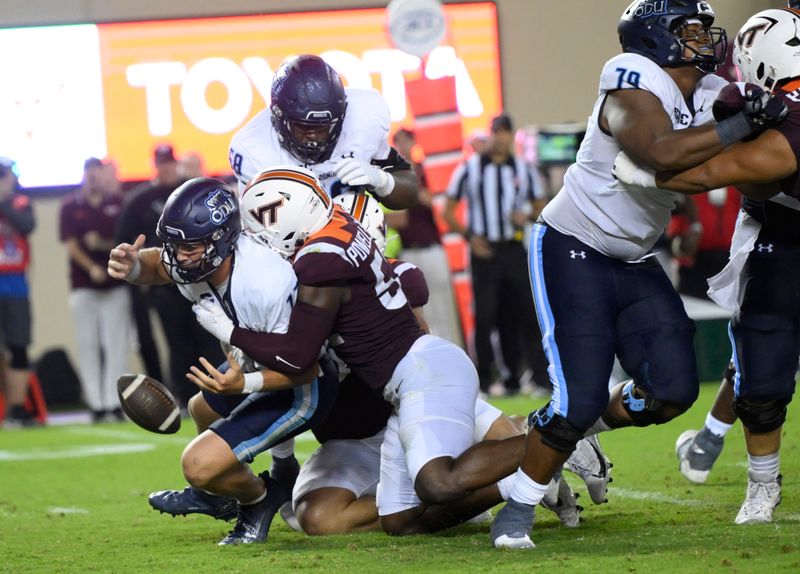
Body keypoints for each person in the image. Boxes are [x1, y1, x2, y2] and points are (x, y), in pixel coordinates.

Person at [490, 0, 787, 549]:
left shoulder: (706, 91)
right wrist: (747, 120)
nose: (704, 39)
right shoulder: (629, 81)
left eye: (703, 28)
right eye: (690, 30)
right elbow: (659, 151)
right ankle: (519, 509)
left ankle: (574, 433)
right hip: (573, 247)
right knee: (576, 396)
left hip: (634, 258)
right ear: (655, 38)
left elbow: (720, 167)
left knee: (672, 391)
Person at [193, 166, 611, 536]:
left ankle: (559, 440)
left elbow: (300, 357)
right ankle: (529, 466)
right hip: (391, 396)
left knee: (440, 481)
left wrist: (233, 334)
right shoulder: (338, 232)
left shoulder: (319, 263)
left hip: (418, 378)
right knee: (397, 520)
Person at [615, 7, 800, 524]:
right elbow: (744, 173)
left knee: (762, 347)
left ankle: (716, 447)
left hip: (778, 229)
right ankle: (747, 471)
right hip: (780, 237)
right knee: (760, 352)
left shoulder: (771, 115)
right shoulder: (749, 102)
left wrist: (647, 179)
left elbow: (720, 172)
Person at [107, 177, 338, 544]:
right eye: (173, 244)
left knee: (196, 465)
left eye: (190, 246)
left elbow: (305, 367)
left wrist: (244, 384)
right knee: (202, 409)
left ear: (221, 240)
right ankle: (216, 496)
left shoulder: (263, 283)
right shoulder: (198, 261)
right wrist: (131, 265)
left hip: (305, 386)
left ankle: (259, 499)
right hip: (260, 369)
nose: (179, 256)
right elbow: (157, 266)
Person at [228, 54, 418, 211]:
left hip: (358, 245)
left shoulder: (364, 115)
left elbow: (408, 193)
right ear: (279, 117)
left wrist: (382, 181)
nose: (313, 136)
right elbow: (262, 234)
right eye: (303, 127)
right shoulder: (253, 149)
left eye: (323, 127)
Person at [443, 114, 548, 397]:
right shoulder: (470, 168)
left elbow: (542, 207)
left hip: (513, 249)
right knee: (486, 317)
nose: (500, 137)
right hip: (485, 251)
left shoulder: (524, 169)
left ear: (511, 135)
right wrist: (469, 238)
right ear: (490, 134)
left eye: (505, 132)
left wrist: (525, 215)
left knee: (524, 313)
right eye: (496, 132)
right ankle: (486, 381)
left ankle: (534, 378)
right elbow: (448, 210)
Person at [115, 144, 224, 407]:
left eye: (170, 164)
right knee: (177, 342)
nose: (166, 169)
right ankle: (187, 396)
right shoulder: (139, 200)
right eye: (162, 164)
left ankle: (217, 392)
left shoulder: (192, 191)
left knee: (209, 336)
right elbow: (124, 241)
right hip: (164, 284)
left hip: (200, 279)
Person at [59, 158, 130, 422]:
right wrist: (91, 267)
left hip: (115, 284)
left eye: (96, 173)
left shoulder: (117, 204)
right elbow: (72, 245)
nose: (92, 178)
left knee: (116, 345)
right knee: (88, 344)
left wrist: (101, 244)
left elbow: (125, 240)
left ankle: (114, 402)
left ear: (103, 175)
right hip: (83, 285)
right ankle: (96, 403)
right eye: (88, 174)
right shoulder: (70, 206)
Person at [387, 128, 463, 347]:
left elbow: (437, 204)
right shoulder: (393, 179)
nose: (403, 146)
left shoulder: (426, 172)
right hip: (407, 251)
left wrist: (414, 186)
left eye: (406, 141)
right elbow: (397, 219)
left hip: (431, 247)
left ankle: (452, 350)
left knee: (442, 305)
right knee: (415, 309)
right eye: (398, 142)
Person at [0, 157, 36, 427]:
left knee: (18, 345)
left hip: (14, 284)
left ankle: (16, 407)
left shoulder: (19, 202)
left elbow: (26, 225)